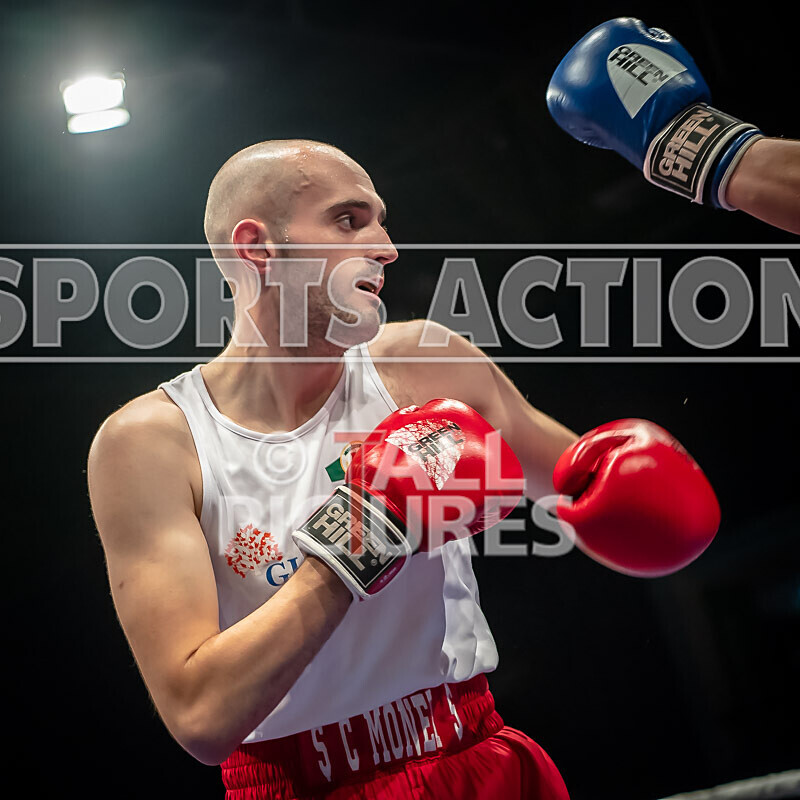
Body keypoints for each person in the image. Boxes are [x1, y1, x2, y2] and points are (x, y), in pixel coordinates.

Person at [88, 18, 789, 799]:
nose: (386, 247)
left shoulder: (426, 363)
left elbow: (590, 489)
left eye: (381, 220)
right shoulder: (152, 442)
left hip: (478, 758)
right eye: (349, 220)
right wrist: (364, 534)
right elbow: (201, 716)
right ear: (257, 248)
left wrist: (634, 491)